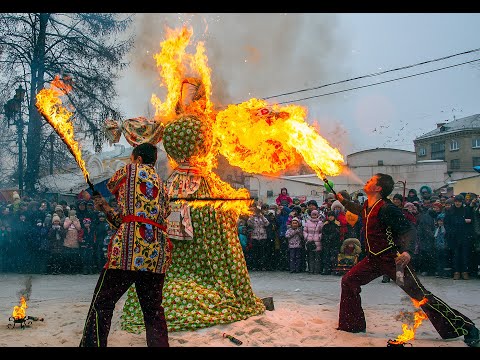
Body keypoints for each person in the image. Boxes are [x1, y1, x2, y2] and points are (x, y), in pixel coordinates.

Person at [335, 173, 479, 347]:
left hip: (393, 259)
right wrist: (343, 200)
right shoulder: (367, 205)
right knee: (349, 281)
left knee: (421, 296)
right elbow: (358, 209)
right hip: (373, 259)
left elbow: (409, 230)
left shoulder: (387, 208)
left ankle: (467, 328)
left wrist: (408, 251)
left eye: (371, 180)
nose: (367, 181)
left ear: (378, 188)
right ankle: (353, 325)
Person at [79, 142, 172, 347]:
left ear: (137, 159)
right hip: (155, 255)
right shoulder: (162, 186)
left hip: (128, 253)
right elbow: (139, 219)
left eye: (132, 158)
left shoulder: (129, 170)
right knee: (153, 310)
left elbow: (110, 185)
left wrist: (98, 196)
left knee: (102, 304)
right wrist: (105, 208)